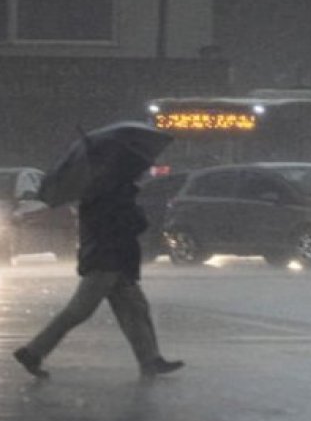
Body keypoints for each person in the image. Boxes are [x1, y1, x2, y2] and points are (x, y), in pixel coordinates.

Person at [13, 141, 184, 379]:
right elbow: (126, 224)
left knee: (135, 308)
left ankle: (150, 360)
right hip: (108, 259)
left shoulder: (100, 188)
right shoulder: (112, 190)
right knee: (80, 310)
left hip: (110, 258)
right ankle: (33, 351)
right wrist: (137, 215)